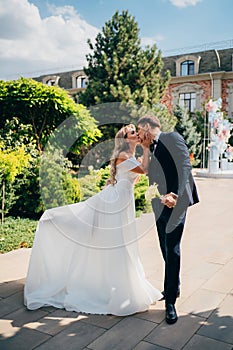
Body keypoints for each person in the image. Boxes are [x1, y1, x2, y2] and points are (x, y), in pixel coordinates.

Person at [24, 124, 162, 316]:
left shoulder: (129, 158)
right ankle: (113, 288)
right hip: (114, 204)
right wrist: (147, 147)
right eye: (133, 133)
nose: (137, 135)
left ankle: (119, 284)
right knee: (117, 243)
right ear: (125, 139)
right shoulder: (124, 156)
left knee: (122, 243)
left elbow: (133, 178)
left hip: (122, 201)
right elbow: (145, 170)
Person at [137, 115, 199, 324]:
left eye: (139, 130)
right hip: (159, 204)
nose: (138, 135)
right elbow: (150, 174)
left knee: (172, 248)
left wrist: (175, 194)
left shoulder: (172, 137)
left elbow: (184, 167)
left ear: (147, 127)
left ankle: (170, 302)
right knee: (164, 247)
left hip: (176, 202)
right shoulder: (151, 147)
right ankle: (175, 285)